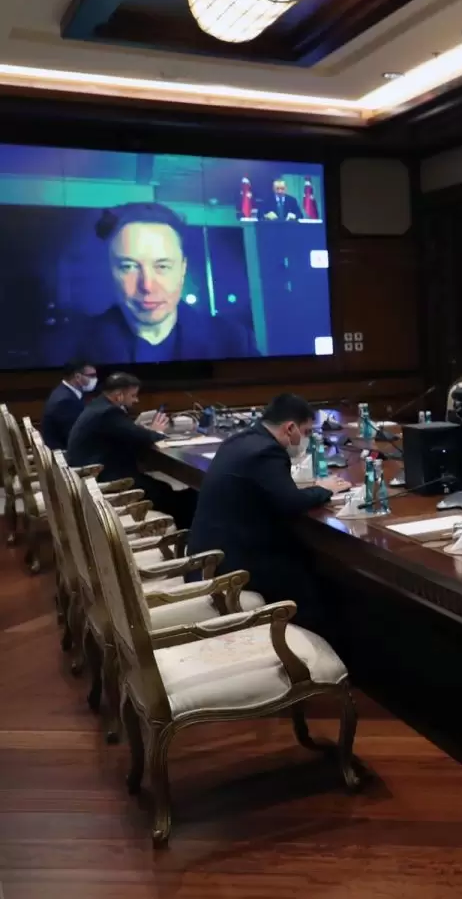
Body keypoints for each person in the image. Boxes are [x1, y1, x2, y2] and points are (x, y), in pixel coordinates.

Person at [188, 394, 350, 635]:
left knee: (305, 558)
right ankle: (309, 644)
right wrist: (324, 489)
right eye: (306, 432)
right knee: (315, 580)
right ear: (290, 428)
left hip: (208, 554)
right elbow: (291, 502)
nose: (306, 439)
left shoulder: (240, 440)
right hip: (231, 565)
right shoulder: (267, 452)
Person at [54, 202, 257, 364]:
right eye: (129, 266)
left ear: (182, 269)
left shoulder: (235, 341)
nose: (147, 286)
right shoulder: (67, 349)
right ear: (111, 270)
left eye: (162, 266)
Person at [65, 371, 168, 490]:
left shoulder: (98, 404)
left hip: (90, 476)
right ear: (119, 395)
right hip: (104, 481)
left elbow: (128, 431)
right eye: (133, 395)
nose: (136, 400)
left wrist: (141, 431)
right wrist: (156, 432)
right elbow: (142, 436)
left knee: (163, 488)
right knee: (168, 492)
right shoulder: (109, 412)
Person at [41, 361, 96, 451]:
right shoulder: (65, 401)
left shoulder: (64, 392)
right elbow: (76, 438)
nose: (95, 379)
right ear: (77, 377)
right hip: (65, 454)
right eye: (91, 376)